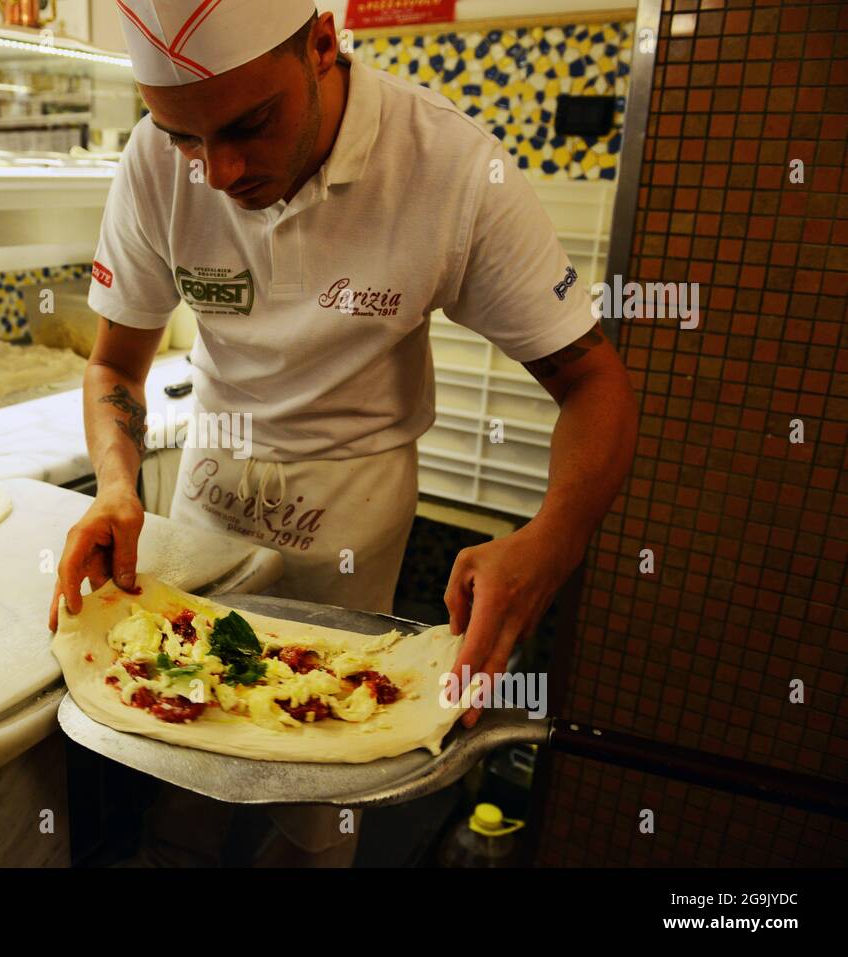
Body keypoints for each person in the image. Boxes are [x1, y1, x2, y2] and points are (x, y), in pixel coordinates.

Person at [49, 0, 637, 867]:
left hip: (354, 498)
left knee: (328, 771)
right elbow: (113, 368)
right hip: (212, 481)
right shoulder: (156, 163)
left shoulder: (449, 166)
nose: (219, 171)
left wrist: (549, 542)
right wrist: (116, 486)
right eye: (184, 138)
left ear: (323, 44)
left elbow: (597, 384)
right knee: (183, 745)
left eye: (250, 123)